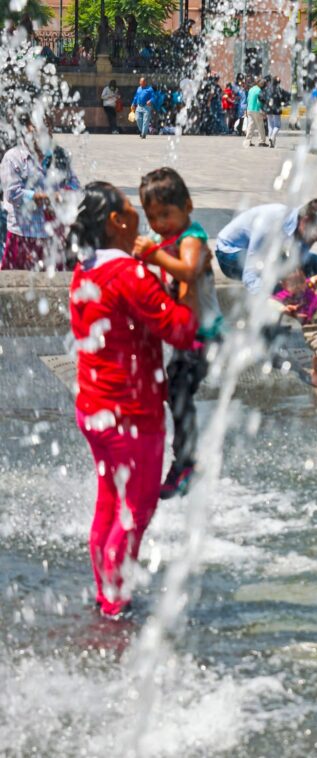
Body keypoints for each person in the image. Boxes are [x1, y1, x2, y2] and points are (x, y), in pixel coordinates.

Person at [69, 182, 197, 618]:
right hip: (132, 418)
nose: (138, 216)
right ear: (115, 222)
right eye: (129, 209)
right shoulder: (128, 273)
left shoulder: (86, 268)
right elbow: (180, 330)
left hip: (95, 409)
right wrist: (189, 280)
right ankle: (113, 608)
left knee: (109, 503)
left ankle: (106, 593)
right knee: (133, 514)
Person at [133, 167, 223, 498]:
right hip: (187, 334)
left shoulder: (193, 238)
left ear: (188, 206)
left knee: (178, 389)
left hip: (206, 335)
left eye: (167, 214)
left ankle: (187, 462)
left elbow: (188, 268)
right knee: (174, 390)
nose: (160, 224)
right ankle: (183, 460)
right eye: (153, 217)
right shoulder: (166, 239)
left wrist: (154, 254)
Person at [1, 116, 80, 270]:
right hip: (23, 233)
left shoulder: (60, 156)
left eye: (47, 127)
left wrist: (65, 195)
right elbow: (13, 194)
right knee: (15, 283)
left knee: (53, 282)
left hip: (53, 234)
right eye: (36, 127)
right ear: (27, 129)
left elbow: (75, 185)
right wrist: (46, 198)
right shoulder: (14, 157)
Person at [213, 200, 317, 292]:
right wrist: (279, 296)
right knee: (276, 272)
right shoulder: (270, 224)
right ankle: (268, 318)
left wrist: (303, 289)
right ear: (306, 221)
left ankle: (300, 306)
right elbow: (250, 278)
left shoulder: (302, 228)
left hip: (266, 253)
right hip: (229, 254)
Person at [245, 76, 268, 147]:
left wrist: (246, 109)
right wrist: (262, 110)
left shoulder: (251, 89)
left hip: (249, 109)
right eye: (262, 83)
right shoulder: (259, 90)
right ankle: (261, 141)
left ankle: (248, 140)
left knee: (250, 126)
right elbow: (259, 101)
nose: (263, 85)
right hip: (256, 109)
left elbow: (248, 99)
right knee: (260, 126)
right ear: (260, 83)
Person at [264, 76, 287, 147]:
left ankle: (271, 143)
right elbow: (283, 98)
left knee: (270, 125)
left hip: (268, 109)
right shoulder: (279, 90)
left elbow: (262, 97)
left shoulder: (268, 89)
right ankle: (272, 137)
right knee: (277, 125)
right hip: (276, 109)